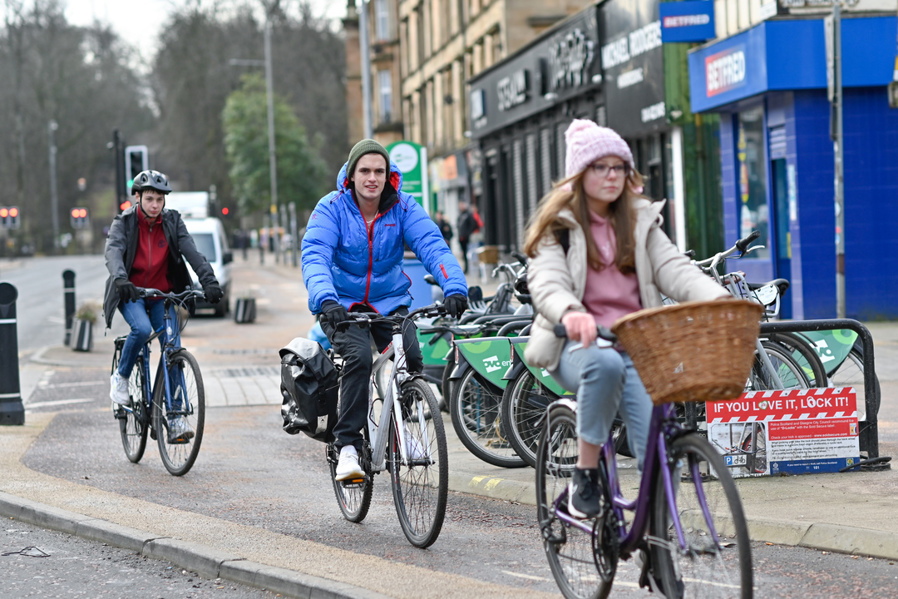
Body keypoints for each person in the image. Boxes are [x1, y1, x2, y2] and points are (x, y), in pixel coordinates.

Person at [522, 120, 728, 519]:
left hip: (638, 345)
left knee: (654, 445)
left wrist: (717, 297)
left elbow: (675, 269)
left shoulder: (639, 219)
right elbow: (546, 281)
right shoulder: (558, 226)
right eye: (601, 167)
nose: (612, 175)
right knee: (604, 362)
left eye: (619, 167)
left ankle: (658, 547)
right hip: (576, 344)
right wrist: (571, 312)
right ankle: (585, 471)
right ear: (580, 174)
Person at [302, 139, 469, 481]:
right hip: (342, 305)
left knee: (410, 355)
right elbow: (315, 254)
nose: (372, 178)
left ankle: (400, 430)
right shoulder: (331, 207)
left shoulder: (403, 207)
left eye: (379, 171)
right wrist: (326, 298)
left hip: (389, 302)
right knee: (359, 358)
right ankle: (347, 445)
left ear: (389, 175)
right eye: (364, 170)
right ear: (351, 175)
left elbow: (432, 246)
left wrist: (454, 286)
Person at [103, 169, 223, 443]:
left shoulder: (172, 222)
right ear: (138, 197)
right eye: (149, 198)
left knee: (172, 347)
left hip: (162, 294)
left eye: (159, 199)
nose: (155, 205)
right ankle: (121, 378)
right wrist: (121, 279)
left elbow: (191, 251)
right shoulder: (124, 222)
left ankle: (177, 416)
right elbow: (113, 250)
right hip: (131, 293)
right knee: (142, 330)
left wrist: (209, 281)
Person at [456, 201, 476, 274]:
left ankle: (469, 268)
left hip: (466, 238)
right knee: (464, 254)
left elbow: (474, 224)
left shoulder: (468, 214)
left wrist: (467, 233)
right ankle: (466, 268)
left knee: (468, 254)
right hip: (461, 238)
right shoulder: (460, 215)